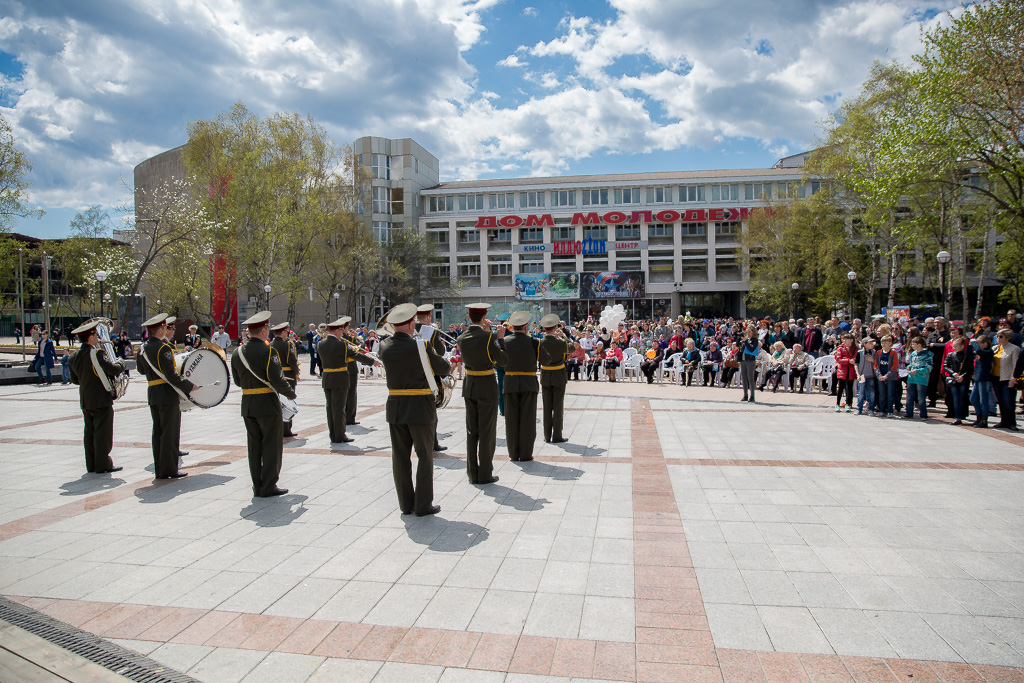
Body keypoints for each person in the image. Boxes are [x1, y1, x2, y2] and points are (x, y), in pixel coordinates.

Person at [378, 303, 451, 516]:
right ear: (411, 324)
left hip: (396, 407)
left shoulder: (384, 346)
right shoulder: (421, 346)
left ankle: (405, 504)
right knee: (425, 456)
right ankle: (423, 505)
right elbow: (443, 368)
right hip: (420, 407)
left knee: (400, 458)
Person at [230, 311, 297, 497]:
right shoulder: (268, 351)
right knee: (271, 446)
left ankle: (257, 485)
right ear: (263, 330)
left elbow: (237, 381)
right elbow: (276, 379)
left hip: (248, 404)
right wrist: (290, 393)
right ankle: (269, 485)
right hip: (267, 404)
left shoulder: (237, 353)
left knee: (254, 447)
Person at [136, 314, 194, 479]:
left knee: (158, 432)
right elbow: (171, 375)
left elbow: (141, 370)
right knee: (170, 433)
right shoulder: (164, 348)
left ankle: (160, 469)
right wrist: (189, 386)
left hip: (153, 394)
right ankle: (169, 469)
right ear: (160, 330)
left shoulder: (142, 349)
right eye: (164, 328)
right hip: (167, 394)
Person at [458, 303, 508, 484]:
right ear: (484, 316)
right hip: (486, 386)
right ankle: (485, 473)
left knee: (472, 432)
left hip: (469, 386)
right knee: (487, 431)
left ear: (469, 317)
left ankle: (472, 473)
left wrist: (488, 333)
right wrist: (500, 339)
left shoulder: (461, 337)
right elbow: (502, 360)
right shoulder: (489, 338)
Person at [68, 320, 126, 474]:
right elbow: (113, 369)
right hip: (101, 399)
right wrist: (121, 362)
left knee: (89, 432)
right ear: (90, 337)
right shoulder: (97, 353)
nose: (98, 337)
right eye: (96, 334)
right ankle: (103, 464)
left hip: (85, 399)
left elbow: (75, 380)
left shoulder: (73, 357)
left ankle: (91, 464)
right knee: (102, 433)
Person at [319, 317, 378, 444]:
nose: (342, 333)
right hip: (340, 379)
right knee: (339, 409)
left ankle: (333, 435)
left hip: (327, 379)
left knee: (330, 408)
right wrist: (372, 362)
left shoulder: (321, 344)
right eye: (341, 331)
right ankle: (340, 435)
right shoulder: (341, 344)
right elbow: (355, 355)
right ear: (336, 331)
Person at [503, 310, 539, 462]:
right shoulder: (534, 342)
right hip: (529, 383)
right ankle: (525, 454)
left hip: (510, 382)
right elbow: (546, 359)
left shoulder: (504, 341)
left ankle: (513, 453)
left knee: (511, 420)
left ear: (512, 326)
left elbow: (497, 362)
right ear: (526, 327)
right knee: (528, 420)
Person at [415, 304, 447, 452]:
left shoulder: (409, 330)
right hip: (428, 375)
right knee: (431, 410)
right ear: (428, 317)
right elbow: (440, 351)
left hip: (412, 374)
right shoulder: (431, 332)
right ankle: (433, 443)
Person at [539, 314, 569, 444]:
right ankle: (557, 435)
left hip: (546, 375)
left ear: (544, 328)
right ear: (555, 327)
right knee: (558, 406)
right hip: (559, 375)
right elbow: (571, 348)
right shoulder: (560, 342)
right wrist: (563, 336)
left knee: (546, 406)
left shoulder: (540, 342)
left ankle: (547, 435)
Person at [270, 322, 300, 437]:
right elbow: (292, 361)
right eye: (286, 332)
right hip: (287, 376)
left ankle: (278, 428)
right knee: (287, 403)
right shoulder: (286, 345)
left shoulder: (270, 345)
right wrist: (296, 371)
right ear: (283, 332)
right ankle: (286, 429)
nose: (287, 334)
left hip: (275, 376)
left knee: (277, 403)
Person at [993, 329, 1021, 431]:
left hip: (1007, 378)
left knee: (1008, 401)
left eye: (1001, 336)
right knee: (1000, 401)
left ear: (1007, 338)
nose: (998, 338)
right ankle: (1003, 421)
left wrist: (1013, 379)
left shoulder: (1014, 349)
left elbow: (1015, 365)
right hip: (996, 378)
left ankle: (1011, 422)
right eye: (997, 336)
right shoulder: (995, 348)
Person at [943, 336, 972, 425]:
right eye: (953, 346)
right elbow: (945, 366)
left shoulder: (967, 355)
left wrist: (963, 376)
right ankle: (957, 417)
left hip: (964, 379)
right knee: (955, 398)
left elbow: (970, 368)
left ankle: (962, 414)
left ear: (962, 346)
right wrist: (953, 373)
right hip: (953, 378)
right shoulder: (950, 355)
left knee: (962, 397)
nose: (954, 348)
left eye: (956, 346)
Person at [904, 337, 932, 420]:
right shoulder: (913, 353)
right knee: (909, 396)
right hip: (911, 378)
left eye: (913, 344)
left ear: (919, 345)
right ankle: (908, 413)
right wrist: (909, 367)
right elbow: (912, 363)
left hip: (921, 378)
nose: (912, 346)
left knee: (921, 397)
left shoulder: (927, 354)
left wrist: (917, 371)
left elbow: (929, 368)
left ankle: (923, 414)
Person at [875, 336, 901, 418]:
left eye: (885, 343)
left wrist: (887, 375)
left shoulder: (893, 353)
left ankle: (890, 411)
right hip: (881, 376)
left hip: (890, 377)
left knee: (890, 394)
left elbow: (895, 366)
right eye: (882, 343)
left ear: (890, 343)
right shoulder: (878, 352)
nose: (883, 344)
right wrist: (879, 375)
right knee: (882, 394)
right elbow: (875, 365)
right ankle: (882, 410)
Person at [833, 333, 857, 413]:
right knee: (840, 388)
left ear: (851, 340)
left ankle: (848, 403)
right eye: (843, 339)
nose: (844, 341)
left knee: (849, 388)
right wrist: (848, 360)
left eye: (846, 339)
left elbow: (855, 358)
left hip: (851, 370)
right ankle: (837, 404)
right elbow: (838, 359)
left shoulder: (855, 348)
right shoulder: (840, 348)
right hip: (842, 370)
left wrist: (851, 360)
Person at [855, 337, 878, 415]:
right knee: (861, 393)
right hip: (862, 376)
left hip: (871, 375)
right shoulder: (860, 352)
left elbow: (877, 363)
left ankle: (871, 409)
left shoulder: (874, 352)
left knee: (871, 394)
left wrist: (872, 360)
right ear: (865, 344)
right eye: (870, 343)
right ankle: (859, 409)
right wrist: (858, 374)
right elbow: (856, 364)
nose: (872, 344)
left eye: (872, 343)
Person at [740, 325, 759, 402]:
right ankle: (745, 395)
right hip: (743, 360)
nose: (748, 333)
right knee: (744, 378)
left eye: (750, 332)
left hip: (750, 360)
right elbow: (740, 347)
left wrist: (746, 342)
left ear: (753, 332)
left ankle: (752, 395)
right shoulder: (746, 339)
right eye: (747, 332)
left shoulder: (755, 340)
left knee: (750, 378)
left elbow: (751, 349)